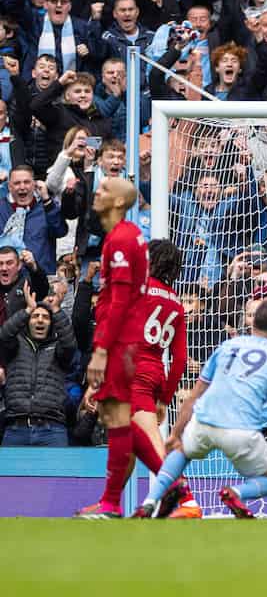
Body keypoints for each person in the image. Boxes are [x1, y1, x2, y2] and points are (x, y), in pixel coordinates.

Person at [134, 301, 267, 519]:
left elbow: (193, 396)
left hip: (203, 422)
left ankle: (149, 502)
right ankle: (234, 493)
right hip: (242, 431)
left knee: (181, 452)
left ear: (253, 324)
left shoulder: (227, 346)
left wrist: (175, 434)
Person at [76, 177, 148, 519]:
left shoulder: (119, 240)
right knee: (118, 420)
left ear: (119, 202)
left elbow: (118, 301)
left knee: (118, 420)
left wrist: (102, 349)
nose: (97, 193)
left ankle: (112, 503)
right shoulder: (128, 234)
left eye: (105, 189)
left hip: (120, 342)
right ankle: (112, 502)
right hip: (128, 340)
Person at [126, 239, 202, 520]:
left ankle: (188, 500)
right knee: (128, 442)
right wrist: (164, 399)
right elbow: (180, 359)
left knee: (149, 441)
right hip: (155, 374)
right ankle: (109, 506)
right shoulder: (177, 304)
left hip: (132, 372)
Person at [0, 282, 75, 446]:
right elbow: (4, 335)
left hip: (52, 430)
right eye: (35, 316)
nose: (40, 320)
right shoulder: (16, 345)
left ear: (51, 323)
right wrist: (27, 310)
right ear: (28, 321)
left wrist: (56, 310)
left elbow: (70, 345)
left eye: (46, 317)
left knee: (58, 472)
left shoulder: (58, 347)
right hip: (15, 429)